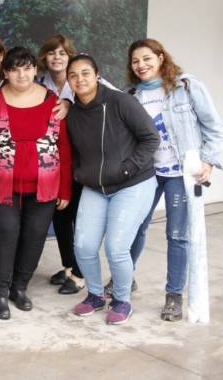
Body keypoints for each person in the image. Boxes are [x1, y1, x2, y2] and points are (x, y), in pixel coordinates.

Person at [126, 39, 223, 321]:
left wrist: (207, 159)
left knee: (177, 234)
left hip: (180, 173)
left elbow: (213, 127)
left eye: (146, 58)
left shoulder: (185, 85)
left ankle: (173, 296)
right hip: (147, 172)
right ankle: (125, 278)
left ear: (160, 58)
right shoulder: (131, 94)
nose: (141, 65)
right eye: (135, 61)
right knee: (134, 226)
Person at [0, 46, 72, 320]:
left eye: (27, 68)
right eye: (14, 69)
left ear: (36, 70)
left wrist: (64, 189)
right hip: (1, 187)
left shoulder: (53, 102)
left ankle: (20, 287)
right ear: (5, 72)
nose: (21, 74)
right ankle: (0, 292)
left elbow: (63, 147)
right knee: (5, 235)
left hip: (45, 187)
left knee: (34, 238)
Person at [66, 54, 159, 325]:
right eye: (74, 75)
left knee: (116, 247)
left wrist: (128, 168)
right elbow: (72, 151)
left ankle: (121, 299)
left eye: (85, 73)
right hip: (96, 187)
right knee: (82, 246)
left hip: (133, 183)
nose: (79, 79)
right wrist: (79, 173)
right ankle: (95, 295)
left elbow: (150, 138)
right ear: (69, 81)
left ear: (96, 74)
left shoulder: (121, 101)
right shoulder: (72, 113)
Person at [36, 34, 84, 295]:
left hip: (81, 160)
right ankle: (68, 266)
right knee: (61, 217)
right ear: (44, 57)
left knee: (78, 218)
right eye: (52, 53)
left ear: (70, 57)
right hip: (51, 162)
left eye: (62, 53)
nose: (57, 57)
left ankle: (80, 274)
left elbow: (109, 100)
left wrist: (70, 102)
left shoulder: (82, 80)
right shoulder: (38, 83)